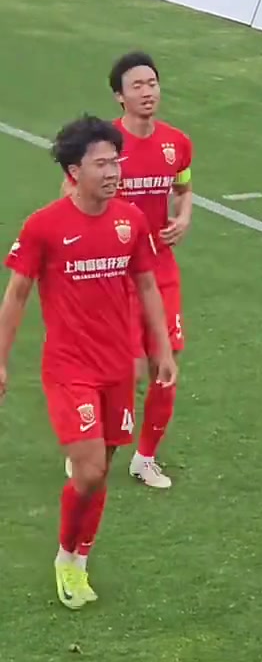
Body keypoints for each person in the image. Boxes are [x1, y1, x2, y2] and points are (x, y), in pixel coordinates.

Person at [0, 116, 177, 609]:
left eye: (116, 162)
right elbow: (16, 296)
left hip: (117, 366)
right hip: (69, 368)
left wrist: (161, 349)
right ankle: (66, 558)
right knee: (91, 471)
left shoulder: (130, 222)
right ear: (74, 171)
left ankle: (81, 558)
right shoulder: (44, 226)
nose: (113, 171)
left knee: (101, 468)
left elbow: (147, 284)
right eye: (102, 163)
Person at [110, 51, 194, 488]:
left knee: (167, 363)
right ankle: (94, 443)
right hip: (115, 275)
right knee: (128, 369)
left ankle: (144, 458)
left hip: (160, 268)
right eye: (137, 86)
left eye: (152, 83)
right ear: (119, 96)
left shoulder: (175, 143)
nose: (147, 92)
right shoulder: (105, 147)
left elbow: (184, 186)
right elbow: (73, 196)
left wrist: (184, 217)